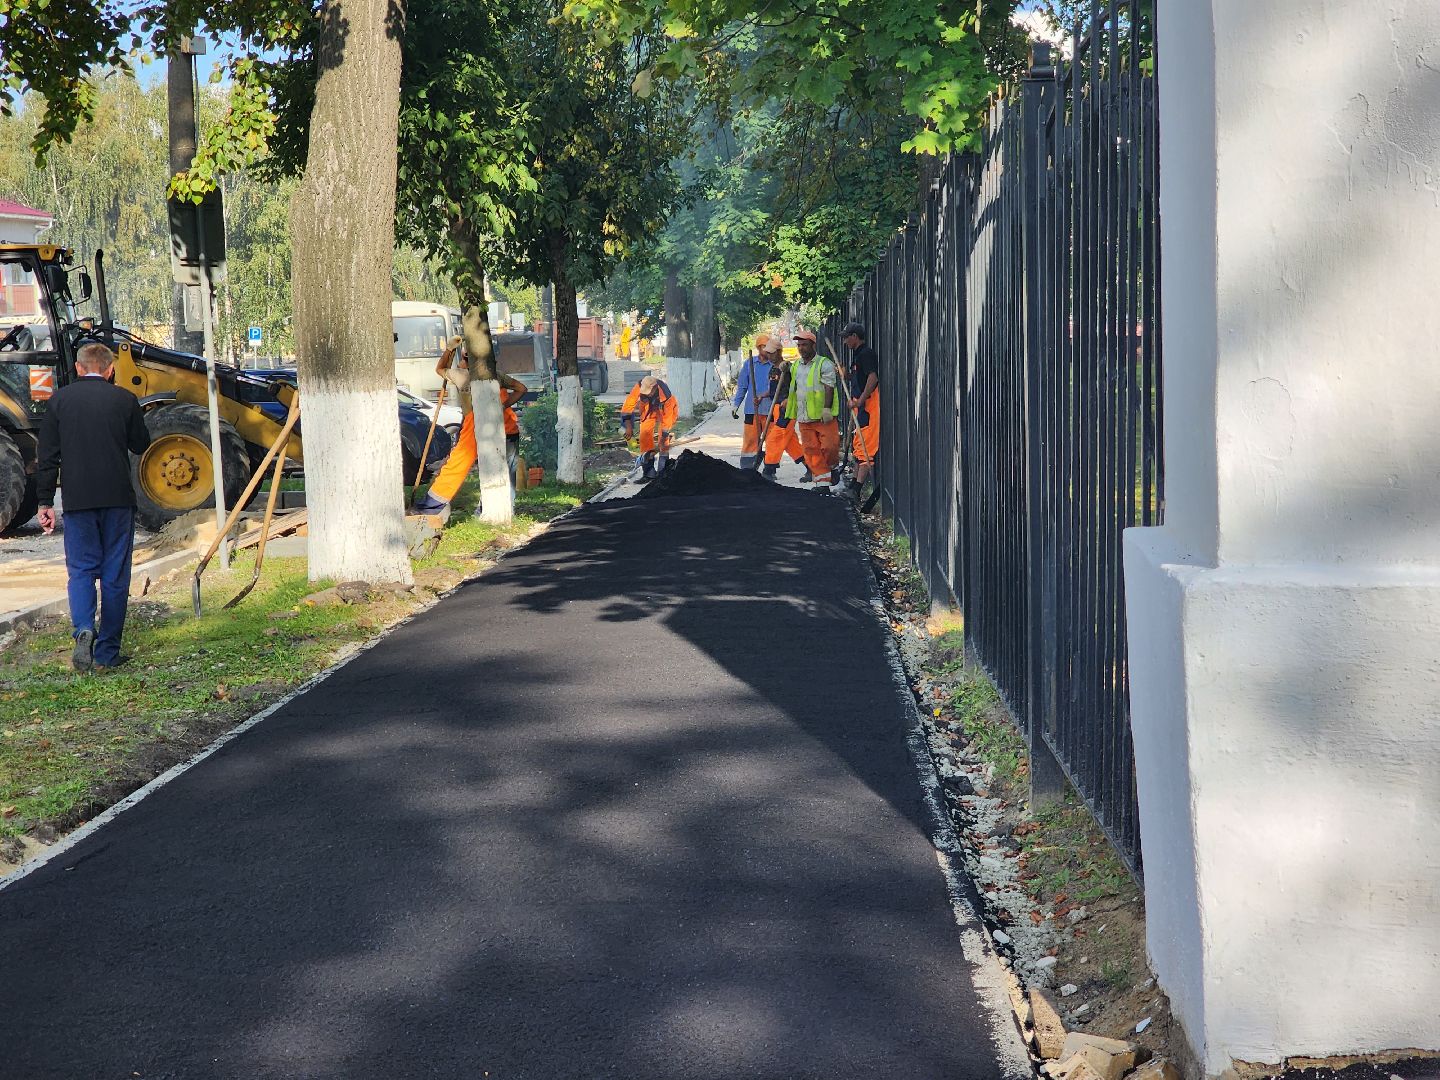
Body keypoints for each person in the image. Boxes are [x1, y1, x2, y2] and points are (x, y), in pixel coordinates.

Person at [35, 342, 152, 672]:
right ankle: (107, 652)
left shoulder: (59, 401)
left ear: (77, 367)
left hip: (78, 502)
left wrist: (45, 501)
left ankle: (84, 627)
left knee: (82, 571)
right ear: (110, 369)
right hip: (117, 499)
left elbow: (47, 457)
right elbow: (140, 444)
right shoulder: (125, 399)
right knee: (115, 575)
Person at [414, 337, 527, 516]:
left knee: (459, 464)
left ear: (468, 360)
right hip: (507, 428)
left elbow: (439, 369)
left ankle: (431, 505)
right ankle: (503, 509)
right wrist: (502, 406)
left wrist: (449, 350)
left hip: (477, 426)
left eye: (463, 357)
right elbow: (522, 389)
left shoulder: (462, 375)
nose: (460, 361)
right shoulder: (496, 375)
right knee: (504, 470)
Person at [784, 329, 843, 489]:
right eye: (799, 345)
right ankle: (822, 483)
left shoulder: (824, 364)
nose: (801, 348)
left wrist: (826, 408)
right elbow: (791, 381)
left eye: (804, 345)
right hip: (804, 417)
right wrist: (783, 367)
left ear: (813, 345)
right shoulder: (796, 365)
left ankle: (833, 467)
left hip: (823, 417)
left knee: (829, 447)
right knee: (811, 452)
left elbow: (829, 387)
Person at [759, 337, 809, 482]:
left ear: (779, 352)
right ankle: (811, 467)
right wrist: (762, 396)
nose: (768, 355)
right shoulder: (773, 369)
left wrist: (789, 398)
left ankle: (768, 470)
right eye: (767, 352)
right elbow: (774, 390)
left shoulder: (789, 368)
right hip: (776, 408)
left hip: (788, 409)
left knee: (775, 438)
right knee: (789, 442)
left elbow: (801, 386)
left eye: (771, 352)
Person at [842, 321, 879, 495]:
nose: (845, 342)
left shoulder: (866, 354)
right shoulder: (857, 356)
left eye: (846, 338)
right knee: (859, 446)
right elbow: (860, 378)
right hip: (861, 406)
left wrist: (860, 400)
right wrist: (846, 375)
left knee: (866, 448)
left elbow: (872, 378)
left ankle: (857, 490)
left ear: (854, 337)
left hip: (869, 406)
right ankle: (853, 486)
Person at [730, 333, 775, 470]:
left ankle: (769, 470)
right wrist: (736, 405)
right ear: (758, 348)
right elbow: (743, 386)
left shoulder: (775, 365)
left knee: (772, 441)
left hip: (770, 410)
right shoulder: (749, 364)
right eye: (763, 347)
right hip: (751, 410)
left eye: (767, 347)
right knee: (750, 441)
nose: (765, 350)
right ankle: (747, 469)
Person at [621, 374, 679, 478]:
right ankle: (648, 473)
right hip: (648, 410)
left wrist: (662, 440)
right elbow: (627, 407)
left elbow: (667, 421)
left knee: (664, 441)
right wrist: (628, 427)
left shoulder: (666, 395)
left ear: (655, 388)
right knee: (644, 436)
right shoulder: (639, 386)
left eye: (648, 392)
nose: (646, 394)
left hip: (665, 412)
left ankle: (662, 473)